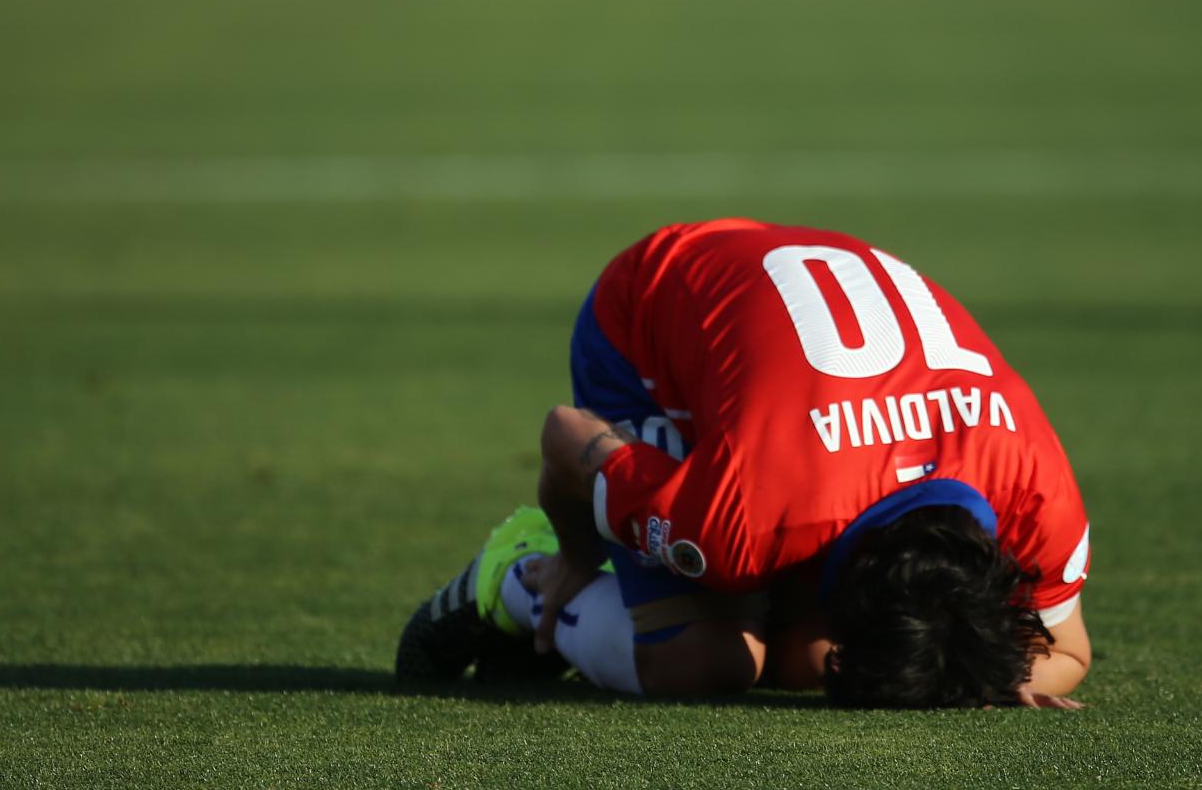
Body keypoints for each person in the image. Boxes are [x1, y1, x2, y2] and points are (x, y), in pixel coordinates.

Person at [397, 219, 1092, 708]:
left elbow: (1070, 654)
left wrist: (978, 671)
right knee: (707, 660)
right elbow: (565, 435)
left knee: (809, 661)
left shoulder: (1036, 496)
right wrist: (578, 552)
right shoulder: (738, 518)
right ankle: (516, 572)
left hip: (789, 377)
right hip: (653, 309)